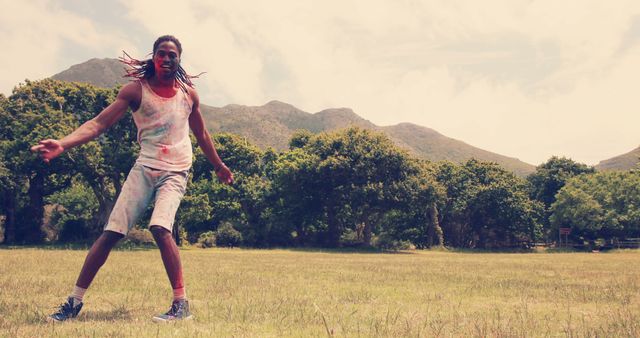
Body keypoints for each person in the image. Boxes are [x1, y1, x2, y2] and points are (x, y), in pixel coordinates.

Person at [31, 35, 233, 322]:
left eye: (172, 55)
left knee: (160, 227)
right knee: (111, 232)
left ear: (178, 60)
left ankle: (181, 304)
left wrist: (218, 165)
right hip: (146, 167)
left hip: (176, 169)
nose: (166, 59)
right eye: (161, 54)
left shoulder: (189, 94)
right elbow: (99, 123)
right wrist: (64, 143)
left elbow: (201, 134)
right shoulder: (135, 91)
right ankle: (74, 301)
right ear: (153, 57)